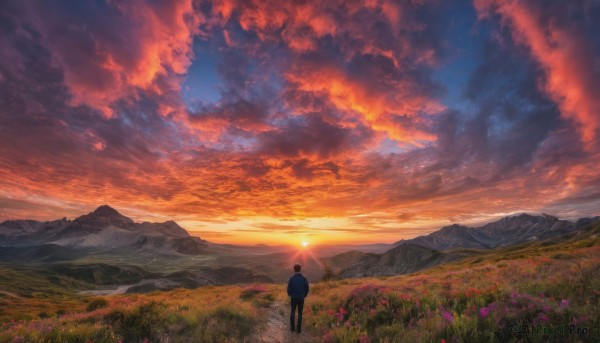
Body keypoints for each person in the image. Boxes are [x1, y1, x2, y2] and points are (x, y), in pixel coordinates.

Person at [287, 263, 309, 334]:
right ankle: (298, 330)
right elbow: (307, 288)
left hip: (294, 298)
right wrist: (304, 295)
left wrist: (290, 295)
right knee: (300, 313)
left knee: (292, 312)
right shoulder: (304, 278)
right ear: (300, 269)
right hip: (301, 298)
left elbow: (288, 289)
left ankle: (292, 328)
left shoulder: (291, 278)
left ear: (294, 270)